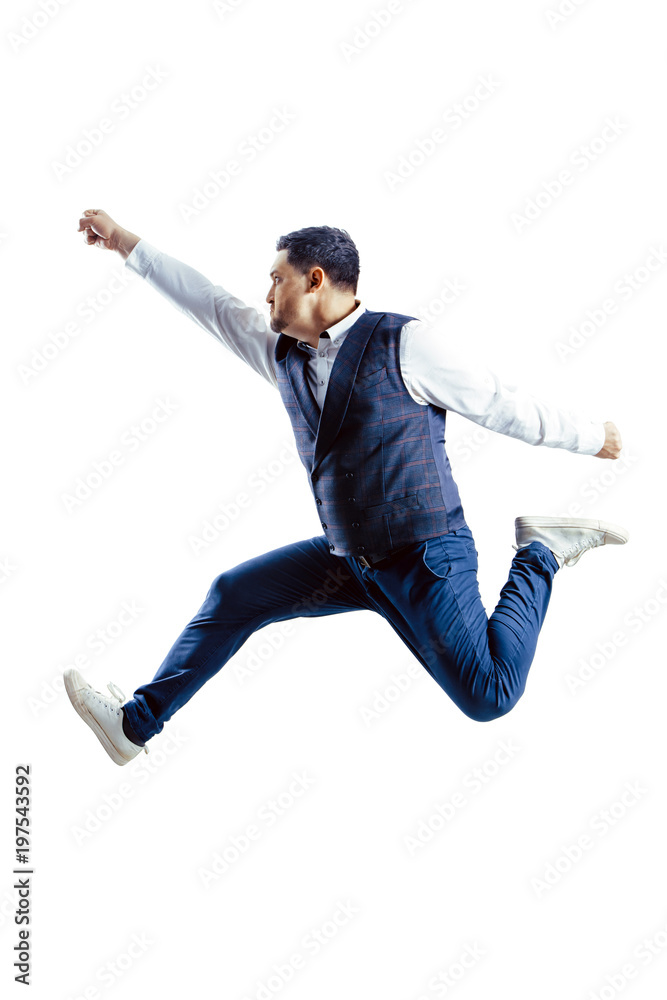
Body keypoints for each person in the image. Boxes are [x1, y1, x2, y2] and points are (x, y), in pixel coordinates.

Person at [64, 208, 628, 766]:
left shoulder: (405, 343)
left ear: (315, 281)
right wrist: (124, 243)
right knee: (234, 593)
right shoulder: (281, 353)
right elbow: (208, 303)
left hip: (425, 557)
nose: (266, 294)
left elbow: (499, 404)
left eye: (276, 279)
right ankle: (135, 724)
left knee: (490, 696)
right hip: (350, 560)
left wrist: (591, 437)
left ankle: (540, 553)